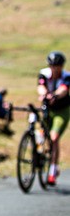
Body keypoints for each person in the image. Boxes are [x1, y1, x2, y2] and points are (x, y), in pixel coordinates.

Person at [37, 51, 70, 185]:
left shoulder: (66, 76)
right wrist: (45, 94)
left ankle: (52, 171)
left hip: (62, 111)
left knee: (54, 137)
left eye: (57, 66)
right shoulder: (44, 73)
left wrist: (55, 95)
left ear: (61, 66)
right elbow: (41, 86)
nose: (54, 69)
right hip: (48, 109)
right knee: (41, 134)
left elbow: (64, 89)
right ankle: (40, 154)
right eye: (52, 66)